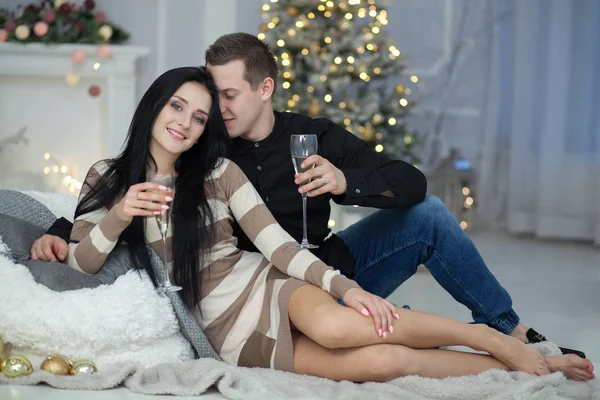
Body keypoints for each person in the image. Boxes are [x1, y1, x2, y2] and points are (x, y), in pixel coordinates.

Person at [32, 33, 584, 358]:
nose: (211, 110)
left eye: (227, 95)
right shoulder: (204, 142)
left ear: (264, 88)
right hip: (259, 291)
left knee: (432, 214)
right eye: (207, 99)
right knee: (362, 341)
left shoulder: (312, 136)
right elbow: (134, 173)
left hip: (326, 266)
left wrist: (349, 183)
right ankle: (402, 325)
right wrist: (62, 231)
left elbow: (410, 182)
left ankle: (508, 328)